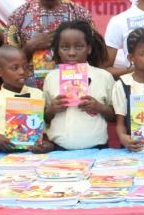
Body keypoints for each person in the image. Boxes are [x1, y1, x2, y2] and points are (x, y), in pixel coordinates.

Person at [5, 0, 93, 86]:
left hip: (72, 89)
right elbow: (8, 63)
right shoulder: (18, 16)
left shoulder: (80, 15)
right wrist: (30, 47)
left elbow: (94, 56)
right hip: (30, 92)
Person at [42, 21, 116, 150]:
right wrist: (52, 109)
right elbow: (44, 117)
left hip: (97, 149)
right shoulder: (51, 78)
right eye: (65, 48)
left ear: (89, 49)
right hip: (59, 149)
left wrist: (99, 107)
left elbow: (116, 115)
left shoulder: (104, 77)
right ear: (57, 50)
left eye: (79, 47)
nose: (72, 53)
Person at [0, 45, 50, 153]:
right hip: (2, 154)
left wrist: (47, 143)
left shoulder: (38, 95)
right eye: (15, 68)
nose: (22, 72)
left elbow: (46, 128)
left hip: (34, 153)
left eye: (25, 67)